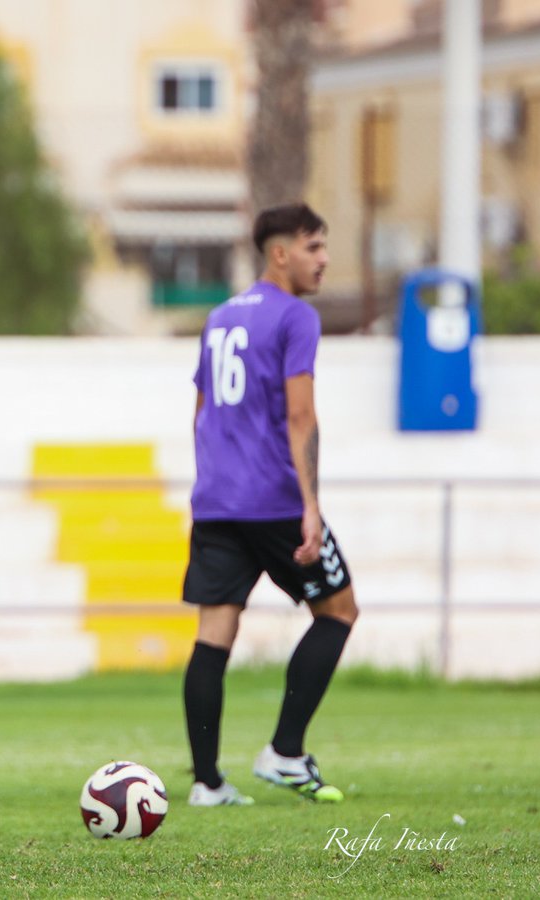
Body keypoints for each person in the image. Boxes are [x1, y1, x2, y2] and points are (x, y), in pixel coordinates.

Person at [181, 203, 358, 808]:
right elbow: (301, 415)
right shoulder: (295, 317)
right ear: (280, 253)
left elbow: (202, 412)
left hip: (217, 502)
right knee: (337, 611)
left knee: (213, 637)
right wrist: (311, 505)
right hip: (275, 501)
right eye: (314, 247)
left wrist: (209, 487)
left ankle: (206, 783)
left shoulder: (221, 314)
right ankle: (284, 751)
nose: (324, 259)